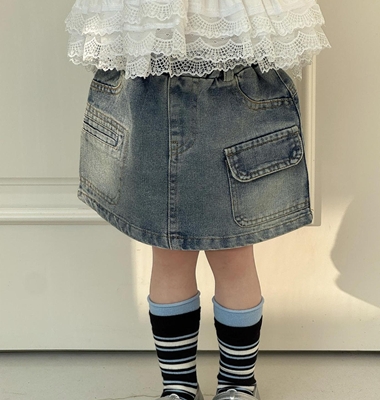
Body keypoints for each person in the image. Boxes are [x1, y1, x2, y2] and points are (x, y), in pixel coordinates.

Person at [65, 1, 330, 399]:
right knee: (169, 256)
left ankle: (238, 384)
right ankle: (178, 386)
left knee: (234, 257)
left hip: (235, 96)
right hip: (147, 97)